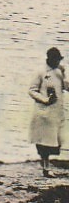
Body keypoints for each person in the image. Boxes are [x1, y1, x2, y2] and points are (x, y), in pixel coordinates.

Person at [29, 47, 66, 178]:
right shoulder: (41, 72)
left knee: (57, 140)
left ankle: (46, 165)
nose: (58, 62)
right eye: (56, 60)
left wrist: (64, 74)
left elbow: (66, 87)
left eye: (59, 60)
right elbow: (32, 90)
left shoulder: (59, 71)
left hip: (57, 113)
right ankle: (46, 167)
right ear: (50, 59)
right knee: (45, 142)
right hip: (44, 113)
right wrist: (45, 100)